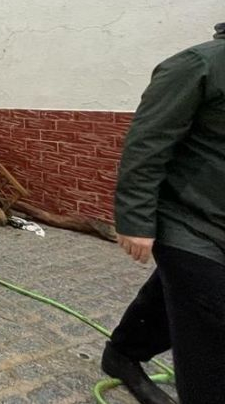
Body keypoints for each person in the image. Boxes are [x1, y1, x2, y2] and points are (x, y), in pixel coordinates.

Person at [101, 24, 225, 404]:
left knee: (175, 295)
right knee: (213, 326)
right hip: (189, 221)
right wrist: (135, 219)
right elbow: (147, 143)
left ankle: (122, 354)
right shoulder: (199, 65)